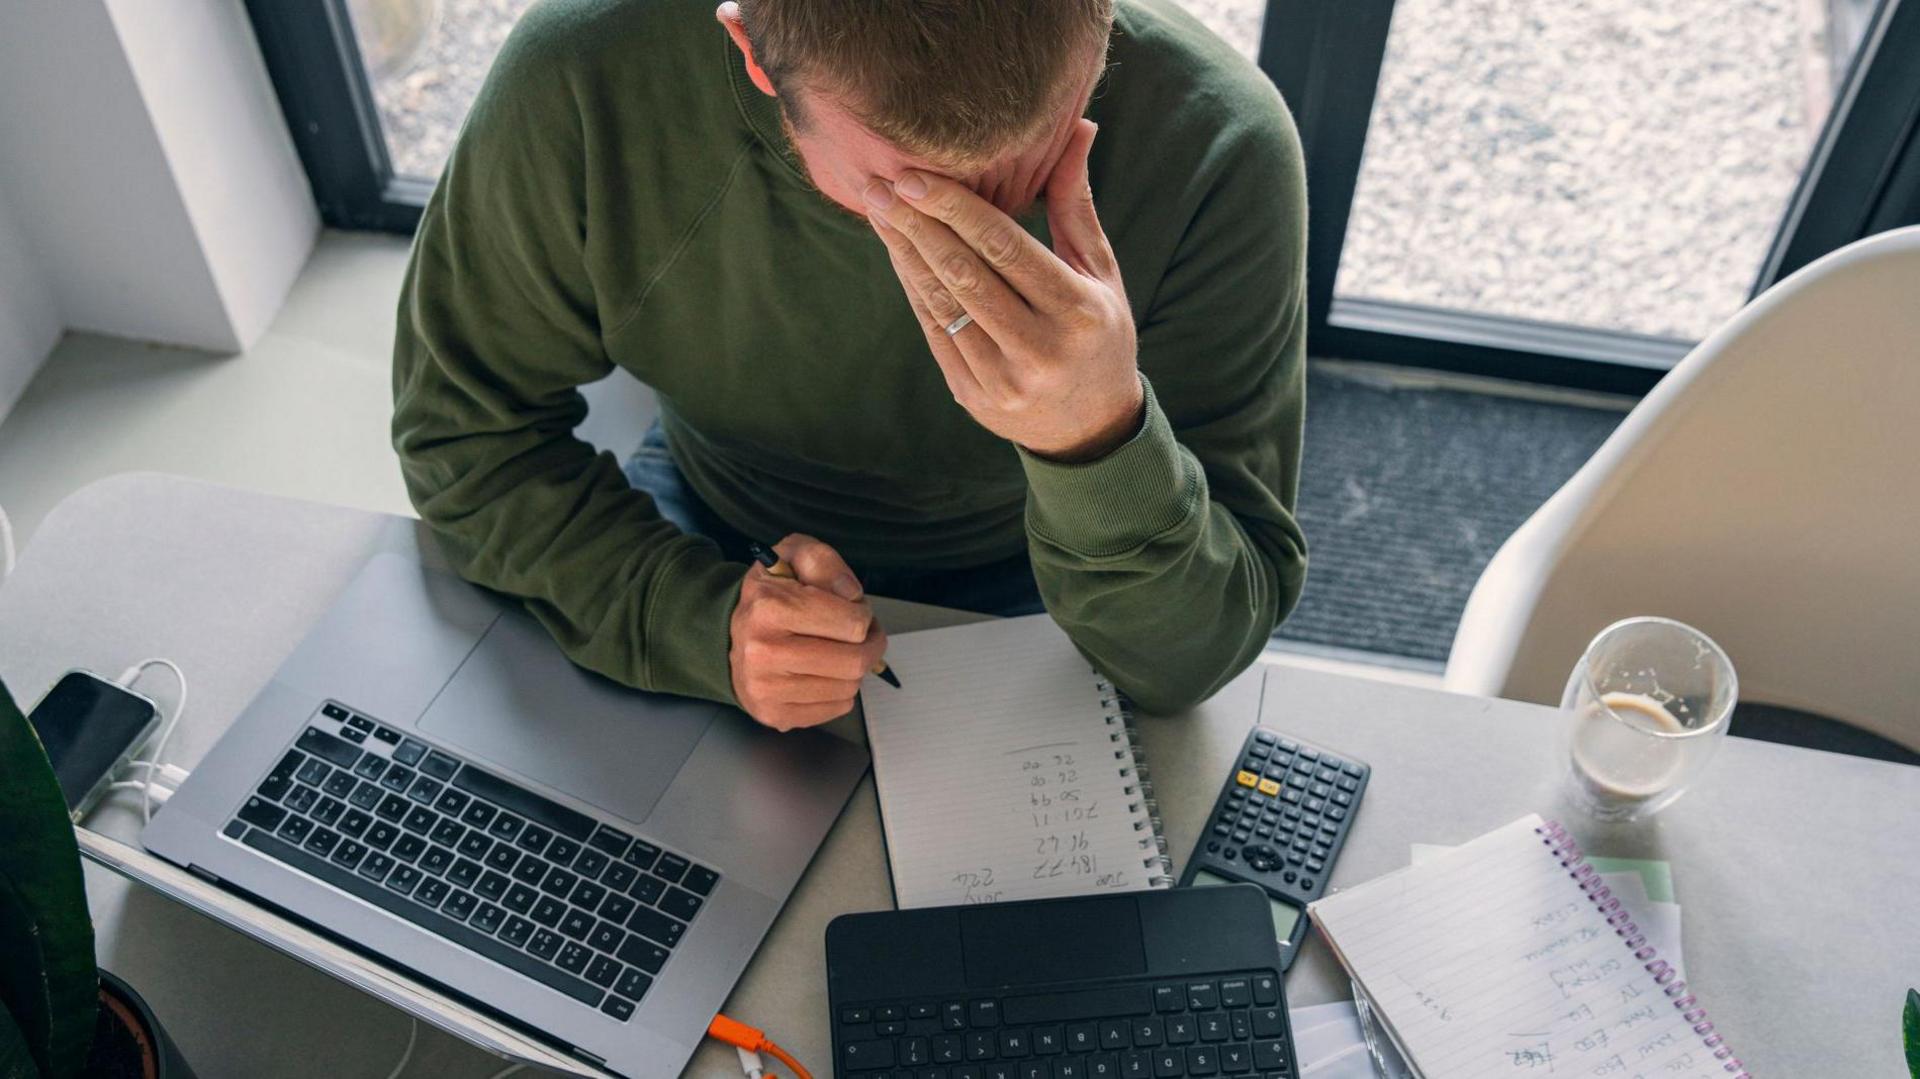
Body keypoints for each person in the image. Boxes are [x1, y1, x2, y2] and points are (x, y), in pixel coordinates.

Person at [392, 0, 1308, 731]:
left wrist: (1099, 438)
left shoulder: (1222, 143)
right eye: (898, 190)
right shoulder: (584, 75)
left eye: (1024, 166)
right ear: (753, 55)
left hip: (1045, 572)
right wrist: (693, 622)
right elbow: (463, 435)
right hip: (707, 520)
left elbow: (1193, 661)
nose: (966, 237)